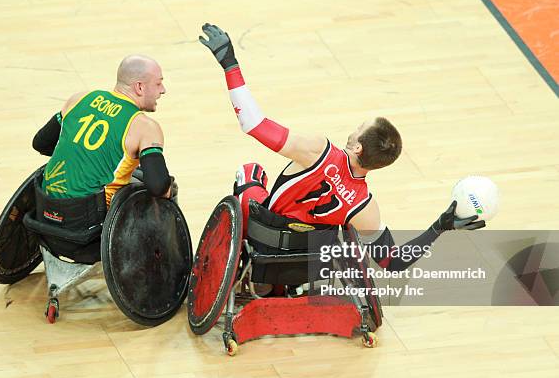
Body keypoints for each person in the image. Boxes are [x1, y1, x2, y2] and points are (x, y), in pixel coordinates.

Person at [199, 23, 485, 272]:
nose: (354, 127)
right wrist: (439, 227)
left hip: (266, 233)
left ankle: (245, 261)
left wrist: (229, 63)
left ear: (357, 146)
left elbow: (253, 124)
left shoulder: (317, 150)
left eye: (359, 127)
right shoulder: (366, 209)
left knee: (251, 172)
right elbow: (394, 263)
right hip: (305, 257)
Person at [30, 55, 174, 263]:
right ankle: (160, 262)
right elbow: (158, 187)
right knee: (165, 186)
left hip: (43, 222)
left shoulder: (80, 99)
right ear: (140, 87)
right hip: (87, 238)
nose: (163, 90)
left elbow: (41, 144)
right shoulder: (144, 127)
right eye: (159, 83)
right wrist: (166, 190)